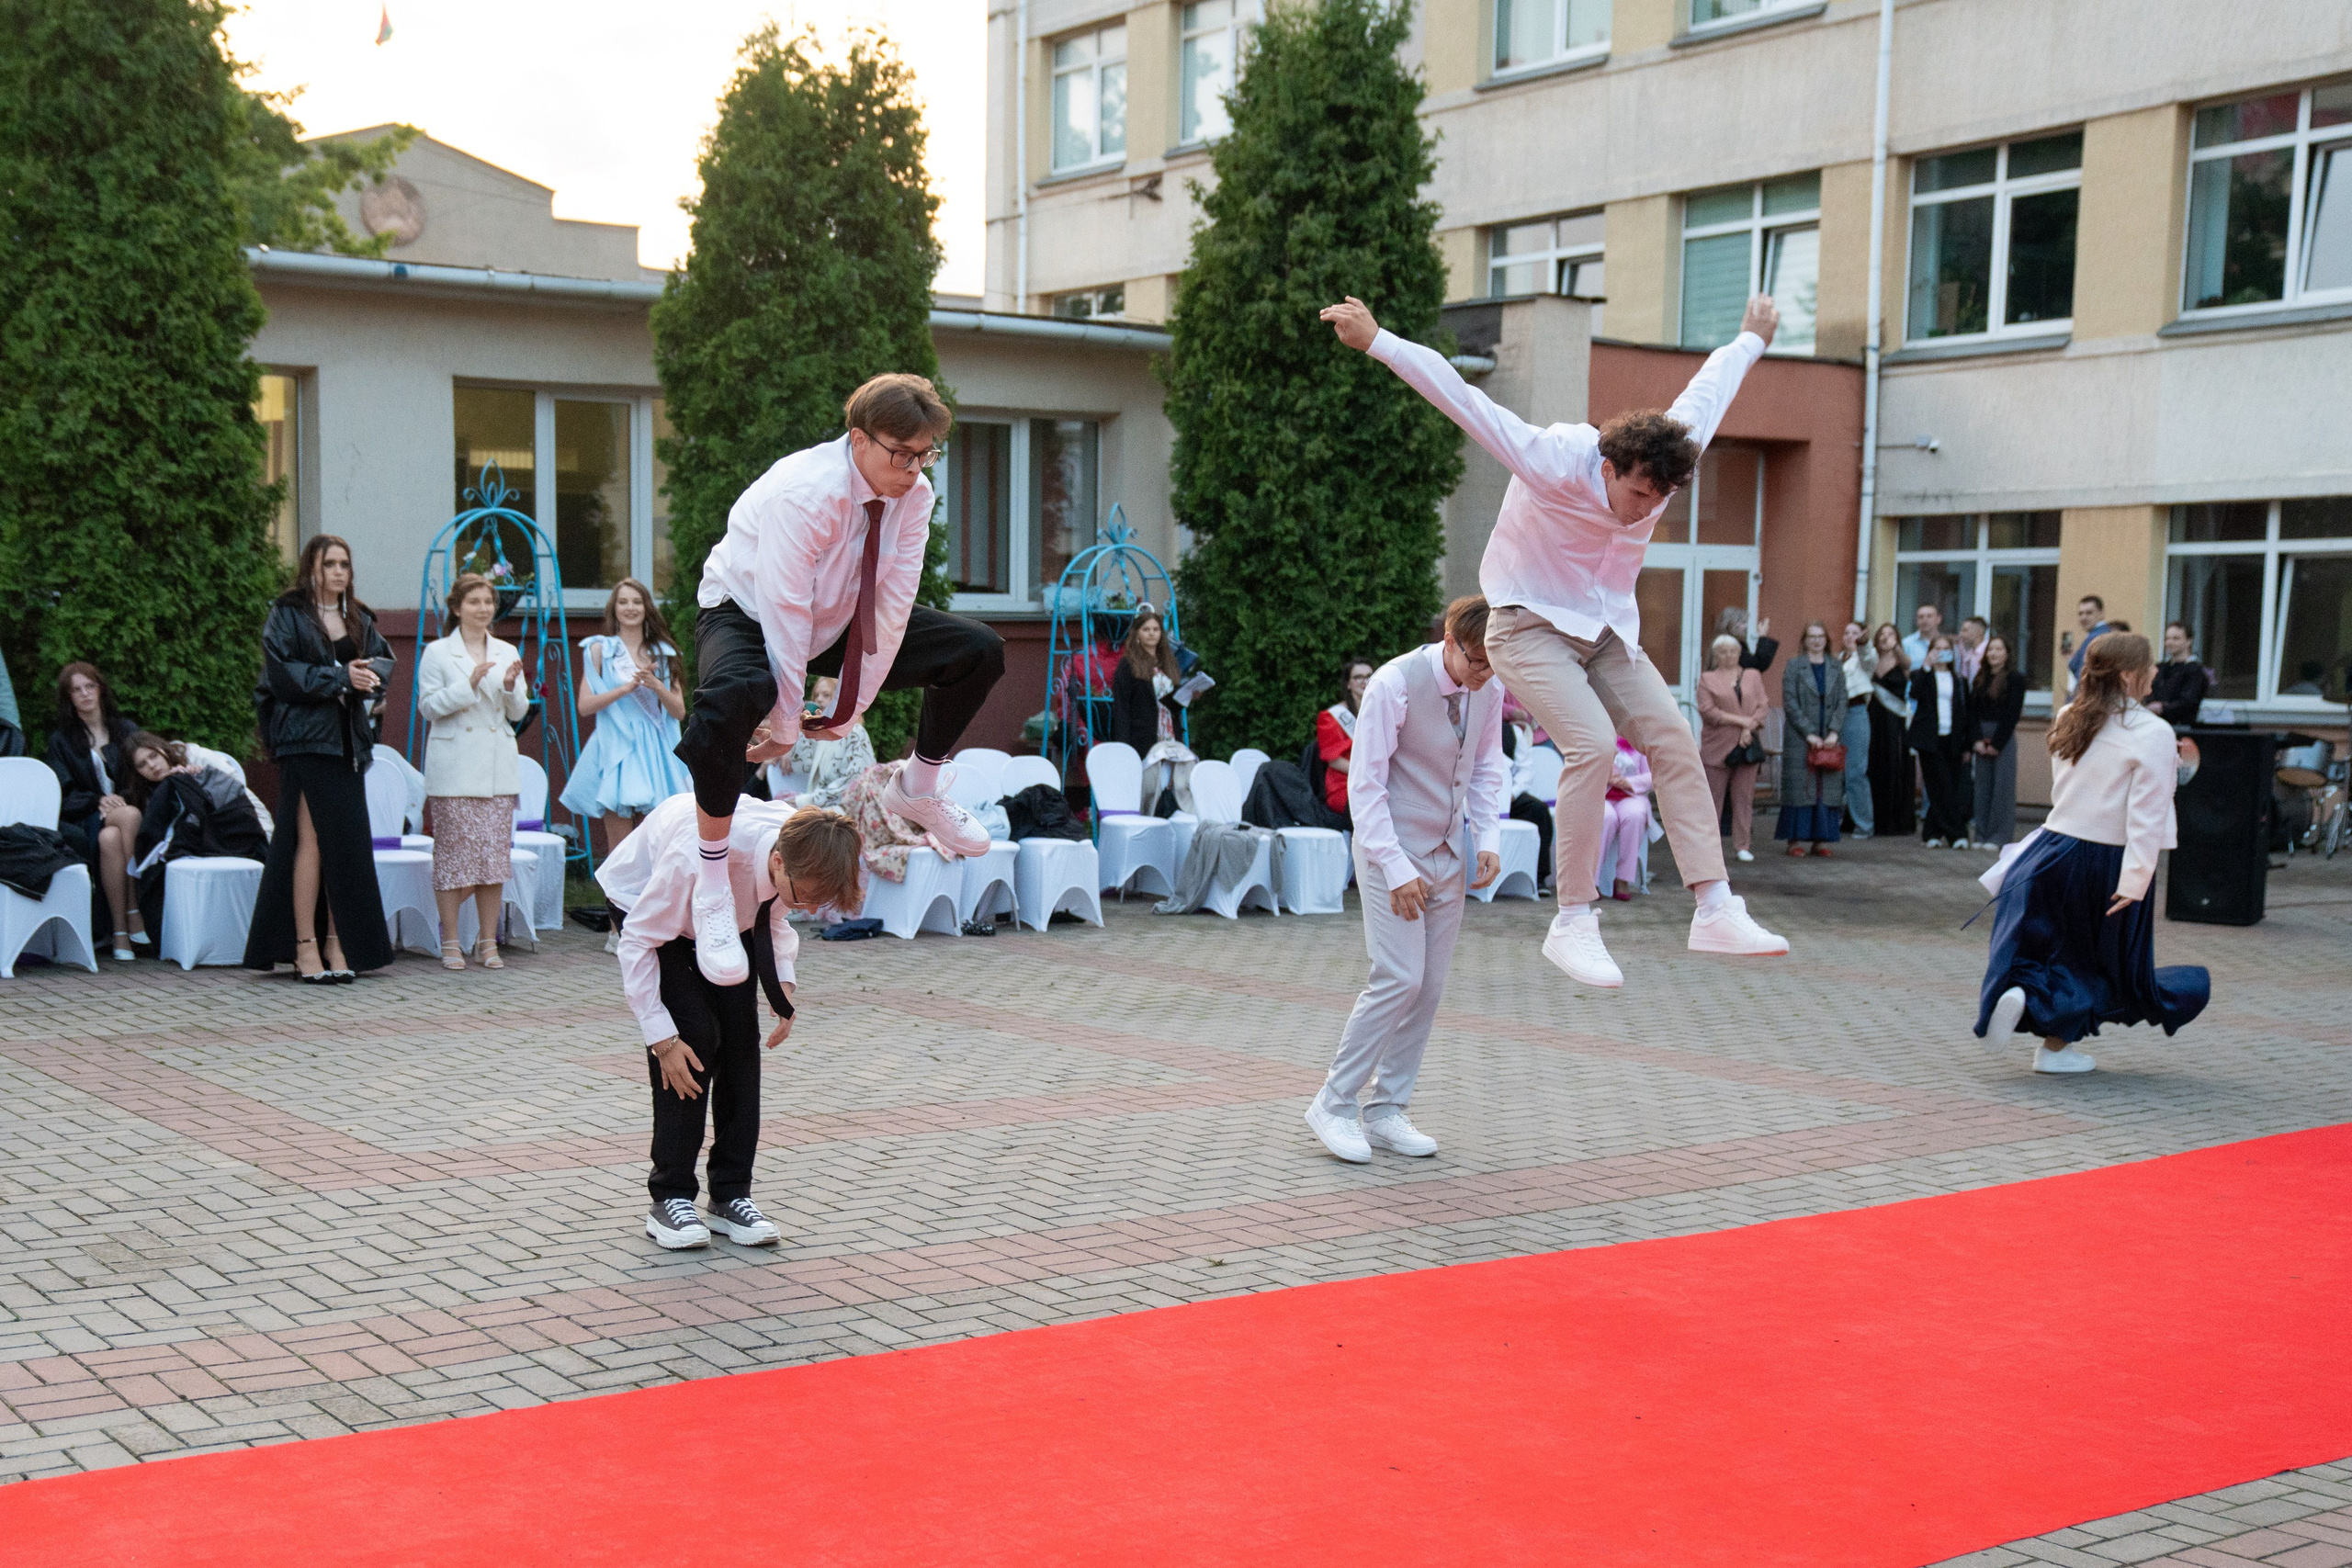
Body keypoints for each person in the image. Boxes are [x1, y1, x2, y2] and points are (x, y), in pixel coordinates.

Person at [1321, 290, 1787, 994]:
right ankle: (1573, 919)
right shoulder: (1553, 458)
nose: (1644, 510)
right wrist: (1379, 339)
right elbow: (1463, 400)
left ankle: (1715, 905)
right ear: (1609, 467)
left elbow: (1709, 388)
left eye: (1658, 500)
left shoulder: (1661, 465)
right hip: (1526, 624)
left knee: (1672, 735)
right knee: (1592, 742)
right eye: (1637, 496)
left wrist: (1750, 338)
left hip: (1604, 630)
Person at [678, 374, 1002, 987]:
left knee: (977, 650)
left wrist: (847, 711)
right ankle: (713, 881)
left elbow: (891, 604)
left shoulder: (916, 495)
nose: (913, 468)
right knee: (732, 699)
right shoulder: (804, 493)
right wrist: (784, 722)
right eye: (900, 453)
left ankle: (917, 788)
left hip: (840, 617)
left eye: (925, 453)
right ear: (858, 439)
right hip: (745, 610)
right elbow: (784, 611)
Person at [597, 792, 865, 1248]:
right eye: (806, 897)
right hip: (653, 904)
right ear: (778, 863)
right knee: (693, 1036)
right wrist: (661, 1038)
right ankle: (670, 1197)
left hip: (724, 908)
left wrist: (782, 995)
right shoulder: (693, 860)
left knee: (741, 1040)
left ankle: (730, 1195)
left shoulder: (801, 847)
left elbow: (773, 920)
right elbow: (638, 941)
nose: (808, 908)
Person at [1303, 596, 1505, 1166]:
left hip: (1447, 852)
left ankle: (1388, 1108)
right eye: (1475, 661)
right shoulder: (1394, 683)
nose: (1483, 674)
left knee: (1430, 986)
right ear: (1449, 641)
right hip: (1390, 849)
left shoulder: (1489, 687)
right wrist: (1395, 868)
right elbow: (1365, 787)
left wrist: (1487, 837)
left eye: (1494, 664)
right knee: (1396, 977)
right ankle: (1334, 1102)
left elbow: (1489, 764)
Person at [1977, 633, 2208, 1074]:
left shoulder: (2069, 715)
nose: (2156, 673)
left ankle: (2025, 994)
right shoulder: (2153, 731)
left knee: (2052, 943)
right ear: (2127, 675)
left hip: (2051, 847)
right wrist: (2137, 880)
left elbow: (2085, 785)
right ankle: (2053, 1047)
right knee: (2101, 960)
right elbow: (2145, 816)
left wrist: (2172, 767)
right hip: (2107, 857)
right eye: (2149, 666)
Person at [244, 536, 393, 984]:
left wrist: (372, 683)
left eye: (344, 563)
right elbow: (283, 675)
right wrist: (341, 677)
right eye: (329, 563)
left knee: (345, 846)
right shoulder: (287, 613)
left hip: (348, 743)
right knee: (310, 842)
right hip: (307, 742)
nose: (338, 571)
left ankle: (338, 942)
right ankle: (304, 945)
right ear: (312, 567)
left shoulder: (359, 616)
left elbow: (384, 661)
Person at [417, 573, 531, 972]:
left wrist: (512, 687)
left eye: (488, 601)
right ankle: (450, 939)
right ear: (456, 608)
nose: (483, 609)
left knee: (493, 858)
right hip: (454, 768)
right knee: (453, 856)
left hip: (497, 767)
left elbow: (517, 712)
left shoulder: (505, 648)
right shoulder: (437, 653)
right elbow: (428, 707)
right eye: (474, 602)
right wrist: (468, 685)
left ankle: (487, 942)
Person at [563, 578, 691, 854]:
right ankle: (616, 899)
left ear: (646, 608)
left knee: (657, 845)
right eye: (623, 602)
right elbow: (585, 706)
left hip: (655, 751)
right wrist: (626, 688)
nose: (630, 608)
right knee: (619, 851)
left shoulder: (663, 653)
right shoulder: (600, 650)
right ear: (614, 608)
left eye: (637, 601)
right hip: (618, 746)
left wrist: (655, 684)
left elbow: (679, 711)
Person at [122, 732, 268, 939]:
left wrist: (192, 781)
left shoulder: (195, 760)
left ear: (162, 750)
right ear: (136, 772)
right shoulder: (144, 793)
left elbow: (233, 794)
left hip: (225, 835)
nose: (152, 766)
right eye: (142, 764)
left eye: (153, 756)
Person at [45, 663, 143, 958]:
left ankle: (120, 934)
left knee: (112, 838)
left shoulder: (126, 730)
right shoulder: (61, 741)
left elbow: (140, 775)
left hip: (125, 808)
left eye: (89, 686)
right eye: (76, 690)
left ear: (100, 689)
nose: (84, 694)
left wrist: (120, 797)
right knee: (129, 817)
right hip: (88, 816)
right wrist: (97, 801)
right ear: (69, 698)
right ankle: (133, 908)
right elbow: (62, 792)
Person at [1109, 606, 1196, 812]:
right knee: (1147, 786)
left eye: (1156, 629)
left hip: (1169, 732)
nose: (1151, 634)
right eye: (1146, 629)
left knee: (1170, 783)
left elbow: (1170, 703)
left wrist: (1189, 695)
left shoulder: (1169, 662)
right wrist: (1124, 746)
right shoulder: (1128, 664)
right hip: (1142, 732)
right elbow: (1121, 706)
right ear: (1137, 633)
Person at [1697, 634, 1770, 865]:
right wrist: (1743, 723)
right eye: (1723, 651)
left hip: (1747, 746)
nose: (1728, 655)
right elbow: (1709, 712)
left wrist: (1750, 728)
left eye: (1733, 651)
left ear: (1740, 653)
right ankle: (1708, 849)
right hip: (1717, 746)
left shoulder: (1752, 675)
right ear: (1715, 655)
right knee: (1712, 800)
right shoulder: (1707, 679)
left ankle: (1742, 845)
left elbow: (1762, 705)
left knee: (1744, 798)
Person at [1775, 620, 1845, 857]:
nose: (1816, 641)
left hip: (1829, 735)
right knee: (1800, 787)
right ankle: (1794, 841)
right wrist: (1809, 733)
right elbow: (1790, 702)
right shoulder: (1795, 665)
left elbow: (1843, 701)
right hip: (1800, 736)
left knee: (1825, 788)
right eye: (1811, 636)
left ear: (1826, 640)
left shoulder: (1836, 666)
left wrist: (1834, 730)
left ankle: (1820, 841)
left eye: (1821, 636)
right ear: (1805, 640)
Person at [1907, 631, 1976, 848]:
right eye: (1937, 649)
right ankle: (1958, 835)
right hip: (1929, 740)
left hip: (1953, 738)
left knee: (1947, 787)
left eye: (1946, 649)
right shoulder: (1922, 675)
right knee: (1941, 784)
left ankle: (1932, 833)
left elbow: (1965, 713)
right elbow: (1914, 694)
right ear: (1930, 652)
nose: (1941, 653)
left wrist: (1967, 744)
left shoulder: (1959, 680)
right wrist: (1926, 666)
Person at [779, 676, 876, 811]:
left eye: (826, 695)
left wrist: (807, 800)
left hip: (845, 815)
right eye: (816, 695)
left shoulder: (855, 732)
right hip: (820, 811)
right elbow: (801, 766)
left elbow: (854, 782)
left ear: (840, 699)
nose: (819, 699)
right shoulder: (821, 735)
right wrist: (798, 734)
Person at [1968, 633, 2027, 849]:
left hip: (2002, 736)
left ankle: (1998, 837)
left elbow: (2012, 713)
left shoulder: (2015, 679)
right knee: (1982, 788)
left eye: (1998, 649)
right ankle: (1981, 835)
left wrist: (1996, 744)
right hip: (1981, 736)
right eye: (1990, 649)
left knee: (2002, 787)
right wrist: (1975, 740)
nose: (1993, 653)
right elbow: (1972, 712)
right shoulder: (1980, 677)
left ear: (2007, 654)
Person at [1865, 624, 1917, 839]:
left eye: (1891, 634)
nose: (1886, 638)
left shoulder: (1903, 661)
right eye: (1882, 634)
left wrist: (1896, 650)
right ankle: (1871, 818)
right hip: (1874, 717)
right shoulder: (1871, 660)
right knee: (1872, 764)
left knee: (1894, 765)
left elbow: (1908, 671)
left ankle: (1894, 820)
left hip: (1894, 721)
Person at [1314, 660, 1374, 818]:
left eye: (1369, 676)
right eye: (1358, 677)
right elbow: (1334, 761)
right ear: (1348, 684)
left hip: (1375, 782)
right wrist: (1367, 773)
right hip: (1345, 786)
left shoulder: (1380, 713)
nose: (1364, 681)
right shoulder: (1332, 717)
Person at [1596, 738, 1652, 899]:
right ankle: (1591, 881)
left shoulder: (1639, 738)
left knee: (1634, 815)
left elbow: (1653, 774)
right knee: (1606, 817)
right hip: (1600, 795)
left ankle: (1623, 879)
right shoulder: (1596, 734)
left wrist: (1628, 782)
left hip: (1631, 795)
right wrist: (1604, 777)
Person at [1838, 621, 1877, 838]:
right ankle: (1837, 820)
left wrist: (1863, 643)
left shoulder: (1864, 658)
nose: (1850, 636)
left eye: (1855, 632)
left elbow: (1868, 657)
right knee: (1835, 769)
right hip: (1836, 714)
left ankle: (1864, 824)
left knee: (1855, 771)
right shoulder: (1837, 659)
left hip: (1856, 711)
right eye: (1846, 632)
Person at [2146, 621, 2209, 727]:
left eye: (2176, 638)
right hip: (2155, 725)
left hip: (2181, 728)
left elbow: (2188, 702)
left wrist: (2162, 707)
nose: (2170, 642)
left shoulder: (2195, 671)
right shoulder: (2160, 668)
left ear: (2189, 641)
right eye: (2167, 638)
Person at [2064, 594, 2112, 696]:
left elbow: (2084, 675)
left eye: (2089, 613)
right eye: (2080, 613)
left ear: (2101, 613)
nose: (2084, 617)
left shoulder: (2095, 638)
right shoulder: (2107, 634)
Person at [1716, 607, 1778, 673]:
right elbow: (1756, 666)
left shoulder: (1723, 643)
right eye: (1744, 622)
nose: (1747, 626)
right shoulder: (1729, 646)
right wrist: (1762, 636)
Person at [1900, 603, 1943, 670]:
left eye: (1929, 616)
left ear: (1939, 619)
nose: (1925, 620)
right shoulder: (1906, 644)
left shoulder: (1946, 644)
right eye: (1921, 617)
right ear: (1917, 620)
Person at [1954, 615, 1988, 683]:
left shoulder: (1988, 651)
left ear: (1979, 631)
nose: (1961, 634)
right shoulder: (1969, 653)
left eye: (1965, 630)